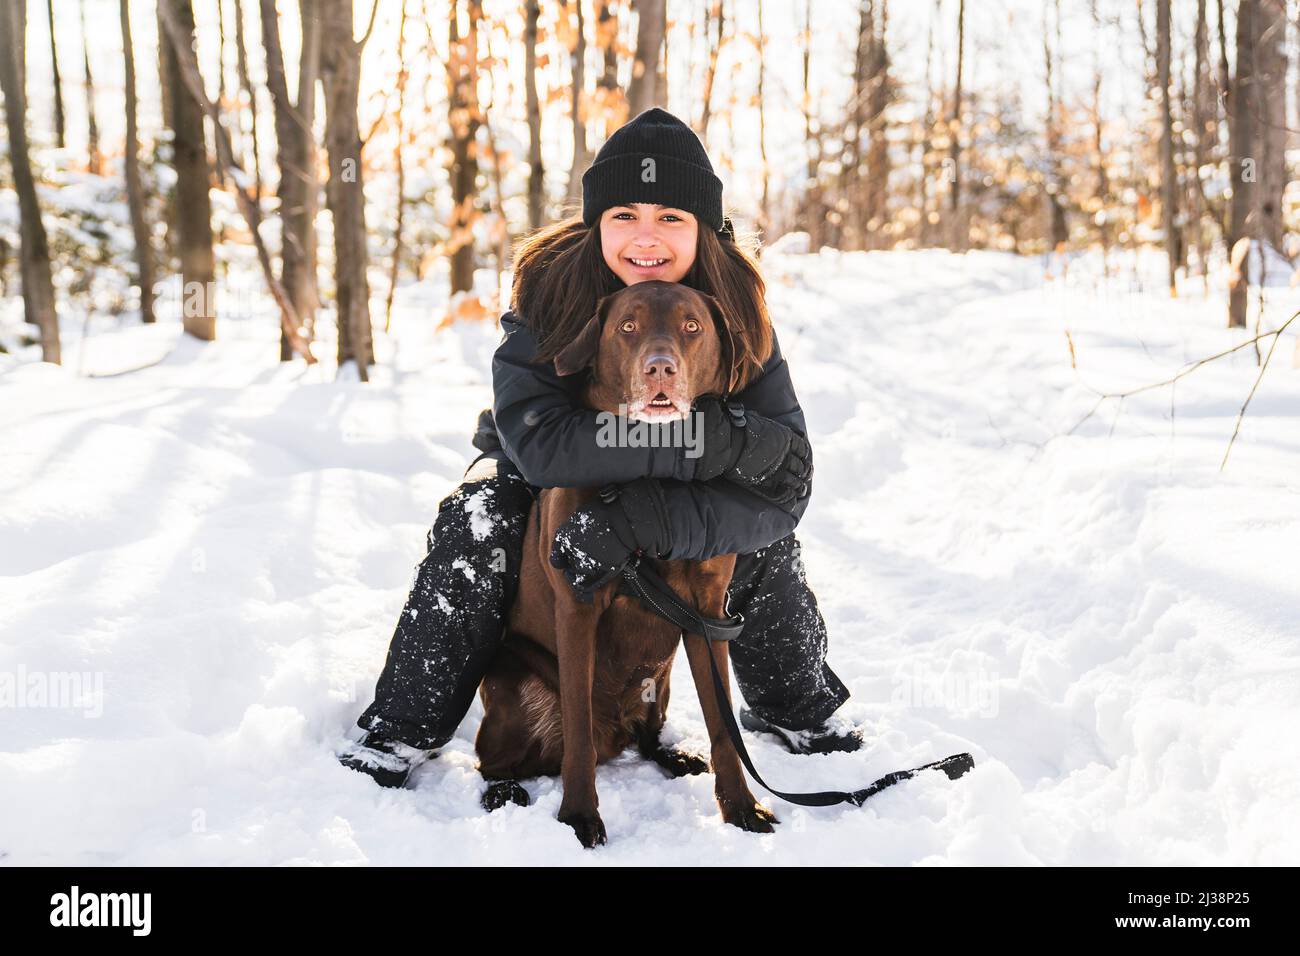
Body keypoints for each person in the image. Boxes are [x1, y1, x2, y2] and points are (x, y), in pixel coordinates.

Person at [339, 107, 861, 788]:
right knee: (478, 518)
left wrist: (652, 516)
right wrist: (703, 444)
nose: (647, 237)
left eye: (671, 217)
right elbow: (543, 445)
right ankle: (403, 727)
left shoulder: (735, 304)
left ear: (704, 227)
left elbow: (785, 484)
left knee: (762, 535)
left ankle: (799, 706)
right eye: (625, 215)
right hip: (542, 479)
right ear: (596, 224)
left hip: (685, 496)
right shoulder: (550, 286)